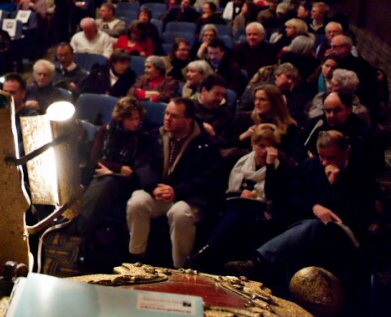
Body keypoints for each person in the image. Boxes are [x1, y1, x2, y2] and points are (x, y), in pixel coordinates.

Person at [226, 131, 377, 295]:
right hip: (305, 227)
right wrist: (314, 206)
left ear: (345, 152)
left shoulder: (361, 175)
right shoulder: (310, 166)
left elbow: (358, 216)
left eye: (331, 158)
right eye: (321, 156)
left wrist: (332, 187)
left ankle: (257, 262)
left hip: (342, 234)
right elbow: (292, 200)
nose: (325, 162)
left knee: (313, 226)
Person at [127, 98, 220, 267]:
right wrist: (153, 187)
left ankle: (180, 267)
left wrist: (176, 191)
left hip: (189, 198)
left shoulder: (206, 144)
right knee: (137, 202)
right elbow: (142, 164)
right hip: (158, 192)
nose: (167, 119)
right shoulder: (155, 135)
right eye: (166, 113)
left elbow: (207, 180)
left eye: (174, 116)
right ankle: (137, 257)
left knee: (180, 214)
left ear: (188, 120)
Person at [189, 124, 291, 273]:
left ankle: (206, 252)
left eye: (269, 147)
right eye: (260, 146)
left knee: (240, 211)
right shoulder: (241, 161)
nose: (264, 151)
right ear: (253, 144)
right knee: (236, 209)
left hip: (265, 212)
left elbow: (274, 196)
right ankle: (210, 257)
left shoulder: (280, 167)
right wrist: (239, 195)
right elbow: (226, 191)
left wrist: (269, 165)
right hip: (235, 206)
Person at [76, 97, 148, 271]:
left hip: (127, 183)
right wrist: (118, 168)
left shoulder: (142, 137)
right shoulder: (106, 130)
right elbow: (95, 159)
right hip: (104, 174)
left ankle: (79, 229)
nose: (135, 123)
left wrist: (117, 171)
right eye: (131, 119)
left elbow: (133, 170)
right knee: (103, 179)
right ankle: (80, 233)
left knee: (107, 181)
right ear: (121, 118)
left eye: (138, 119)